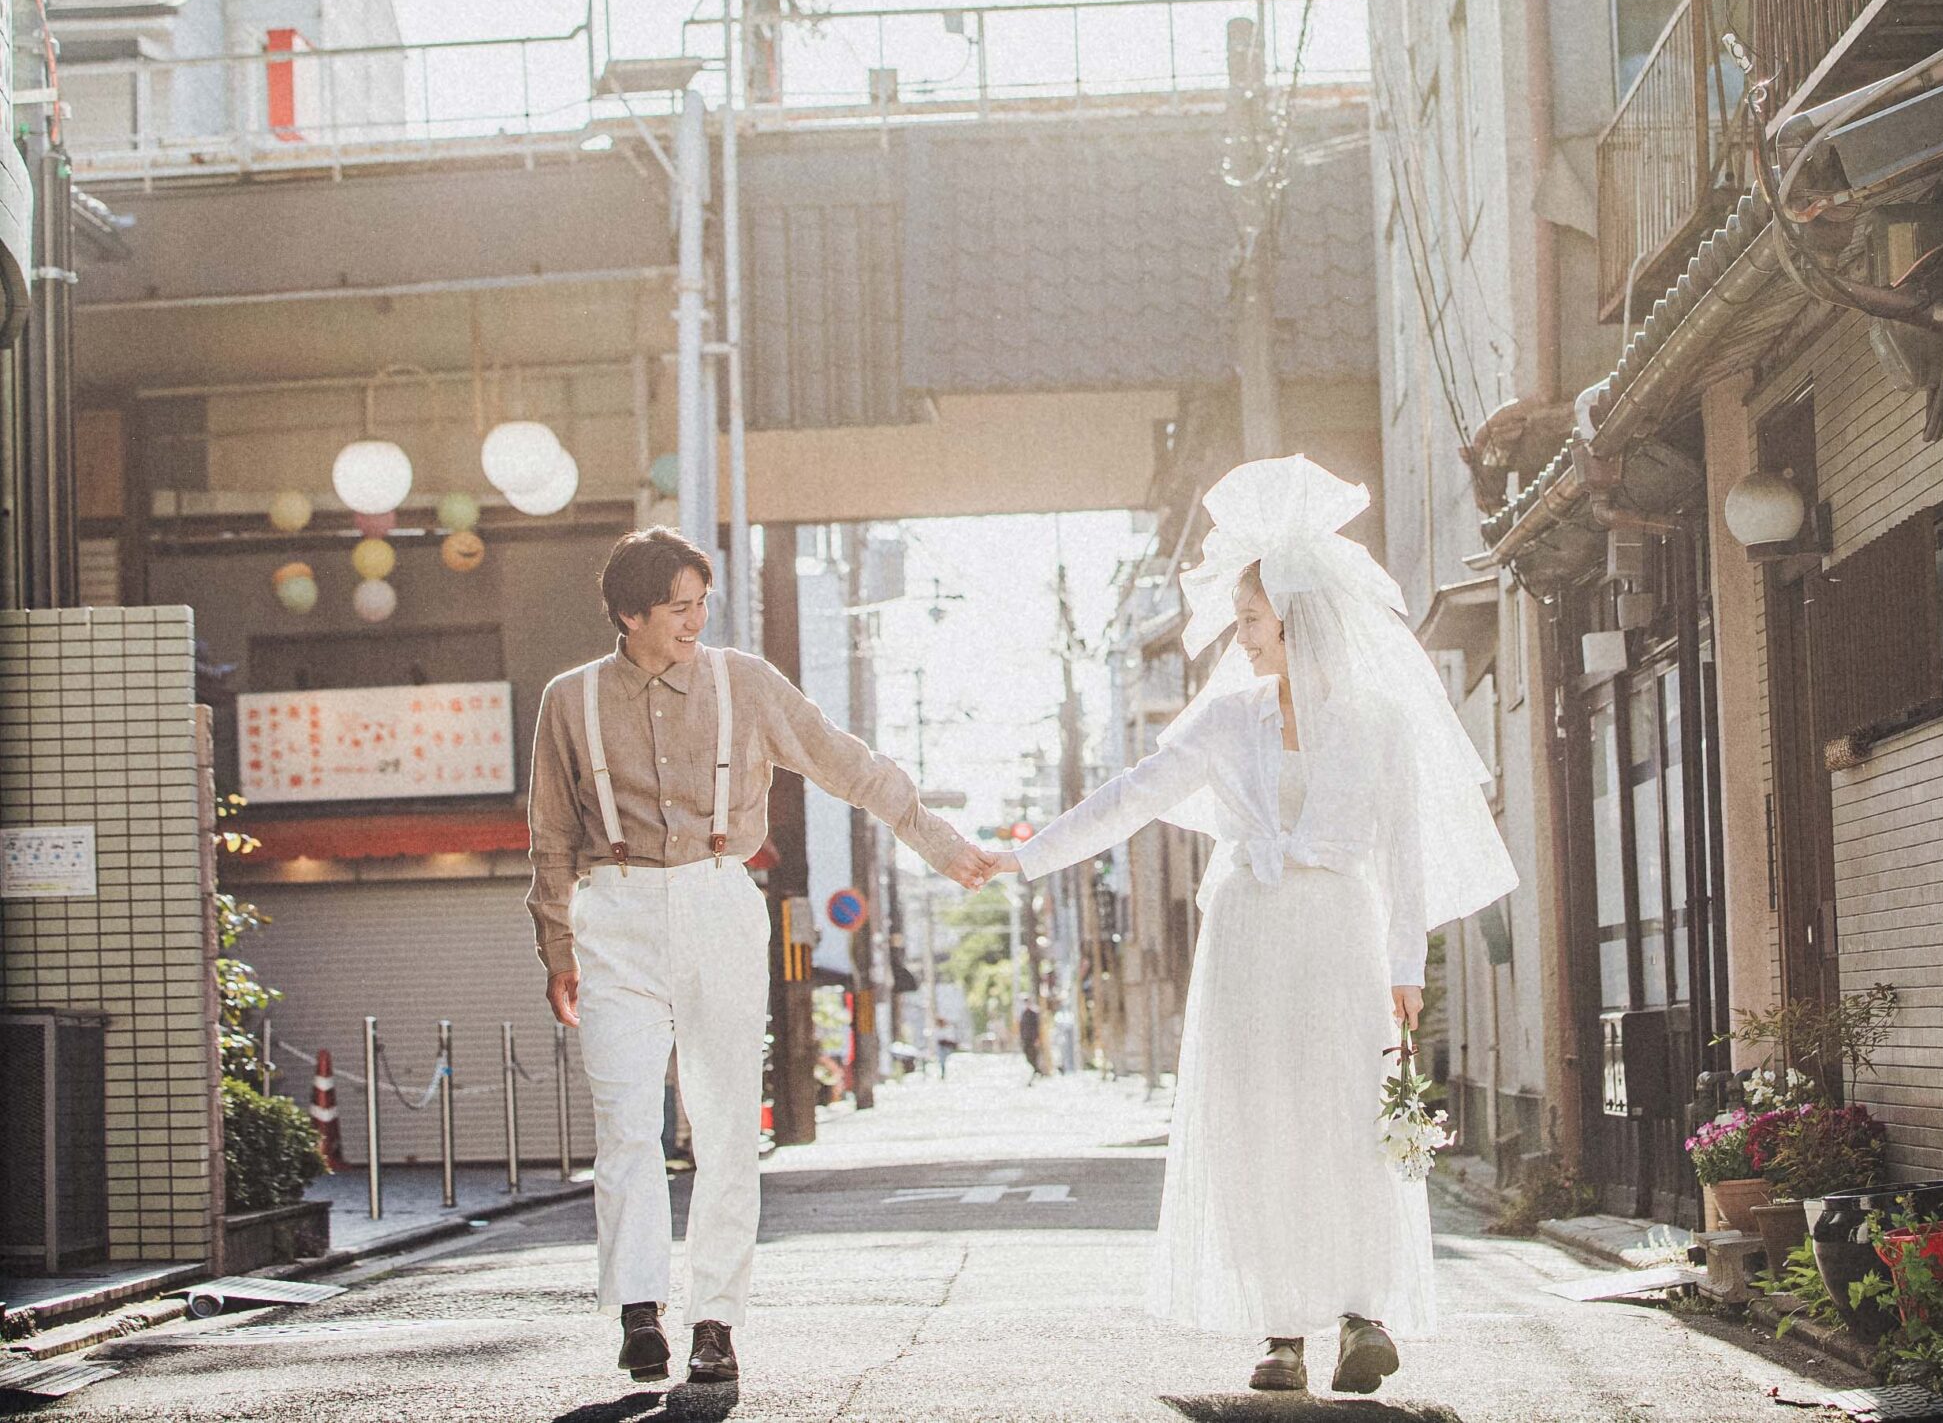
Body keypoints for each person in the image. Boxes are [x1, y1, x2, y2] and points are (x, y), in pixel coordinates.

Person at [993, 456, 1515, 1397]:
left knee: (1353, 1119)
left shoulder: (1380, 718)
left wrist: (1408, 964)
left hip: (1340, 932)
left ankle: (1363, 1312)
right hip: (1248, 938)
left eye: (1250, 621)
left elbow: (1403, 853)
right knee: (1262, 1120)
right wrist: (1025, 856)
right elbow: (1132, 797)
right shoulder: (1227, 718)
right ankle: (1282, 1331)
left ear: (1298, 614)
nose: (1239, 638)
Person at [527, 528, 997, 1389]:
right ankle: (638, 1309)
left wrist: (933, 836)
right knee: (627, 1123)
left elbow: (841, 760)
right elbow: (550, 834)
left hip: (716, 895)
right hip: (613, 912)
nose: (696, 620)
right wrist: (557, 942)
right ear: (630, 613)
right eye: (678, 607)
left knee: (726, 1123)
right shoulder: (570, 700)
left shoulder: (742, 682)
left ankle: (715, 1320)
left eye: (703, 602)